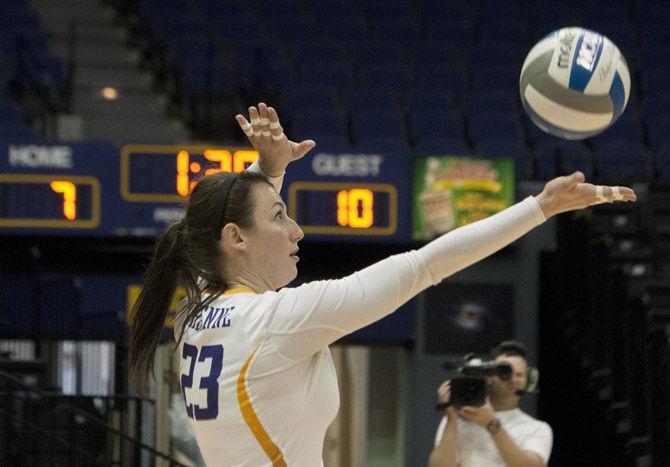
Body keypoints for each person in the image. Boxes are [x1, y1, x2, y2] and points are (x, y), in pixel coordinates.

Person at [129, 102, 636, 466]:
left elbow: (217, 224)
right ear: (236, 238)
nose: (297, 230)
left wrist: (268, 171)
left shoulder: (196, 311)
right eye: (282, 216)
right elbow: (424, 265)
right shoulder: (280, 320)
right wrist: (539, 207)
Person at [429, 341, 552, 467]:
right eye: (505, 372)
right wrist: (451, 419)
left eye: (519, 374)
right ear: (488, 376)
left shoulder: (536, 428)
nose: (513, 379)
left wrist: (492, 424)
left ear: (529, 380)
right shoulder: (457, 420)